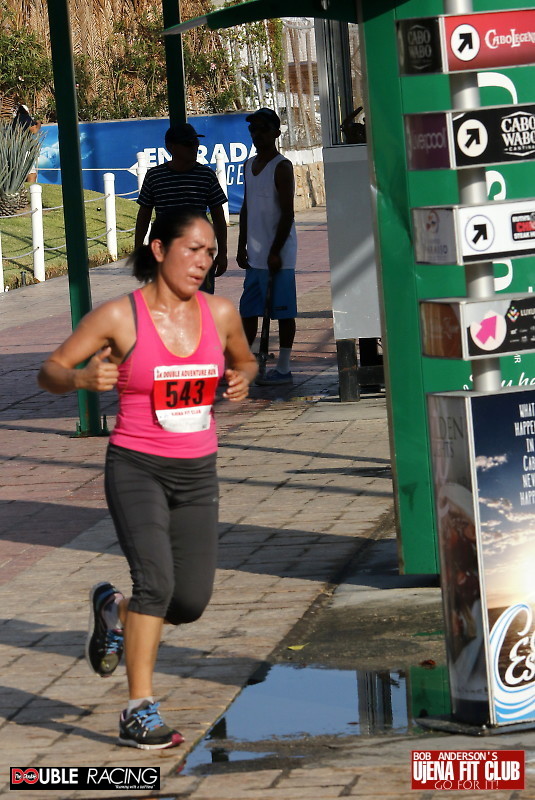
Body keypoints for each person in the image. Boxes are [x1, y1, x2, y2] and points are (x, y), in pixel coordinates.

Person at [38, 209, 257, 750]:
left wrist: (241, 378)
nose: (202, 262)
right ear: (159, 249)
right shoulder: (119, 317)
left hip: (197, 470)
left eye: (210, 252)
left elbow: (246, 360)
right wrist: (81, 378)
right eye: (192, 249)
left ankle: (112, 612)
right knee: (155, 585)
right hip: (137, 466)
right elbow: (51, 371)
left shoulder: (221, 313)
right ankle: (139, 709)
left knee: (189, 602)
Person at [237, 108, 297, 386]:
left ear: (276, 132)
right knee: (249, 310)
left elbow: (287, 213)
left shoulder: (281, 167)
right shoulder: (248, 165)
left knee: (283, 312)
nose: (256, 135)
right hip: (256, 253)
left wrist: (275, 251)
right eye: (253, 130)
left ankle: (283, 368)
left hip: (279, 254)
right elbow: (246, 207)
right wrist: (241, 245)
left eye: (262, 129)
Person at [135, 123, 228, 294]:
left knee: (201, 304)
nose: (194, 147)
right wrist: (139, 251)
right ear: (170, 147)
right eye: (188, 144)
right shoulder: (154, 176)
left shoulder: (206, 175)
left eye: (196, 143)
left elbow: (218, 216)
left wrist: (222, 253)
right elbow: (144, 215)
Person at [11, 98, 42, 183]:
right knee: (32, 174)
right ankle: (31, 190)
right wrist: (38, 123)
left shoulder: (15, 120)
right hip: (23, 149)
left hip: (15, 149)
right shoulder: (25, 117)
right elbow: (34, 130)